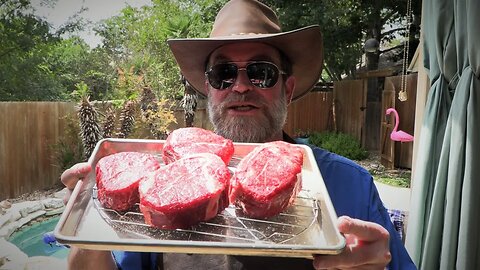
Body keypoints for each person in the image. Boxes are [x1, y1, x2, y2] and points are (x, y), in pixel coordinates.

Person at [61, 0, 416, 269]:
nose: (241, 86)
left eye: (261, 72)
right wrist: (86, 226)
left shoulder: (346, 184)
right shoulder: (163, 182)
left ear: (288, 89)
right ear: (208, 88)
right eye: (223, 73)